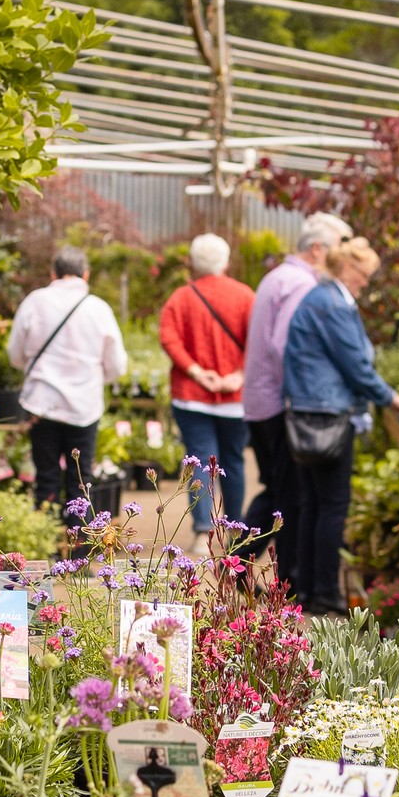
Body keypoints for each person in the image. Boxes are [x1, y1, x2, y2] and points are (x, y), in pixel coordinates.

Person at [282, 237, 399, 617]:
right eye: (364, 274)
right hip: (328, 415)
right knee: (332, 506)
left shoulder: (321, 298)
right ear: (347, 269)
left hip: (308, 411)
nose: (366, 282)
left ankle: (306, 588)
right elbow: (356, 366)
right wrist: (392, 398)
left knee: (312, 504)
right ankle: (324, 593)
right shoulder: (333, 303)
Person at [242, 210, 352, 591]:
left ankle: (237, 565)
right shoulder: (302, 284)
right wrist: (300, 396)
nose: (345, 257)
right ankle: (274, 579)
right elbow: (284, 346)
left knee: (278, 489)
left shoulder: (279, 276)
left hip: (259, 400)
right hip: (279, 403)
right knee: (287, 497)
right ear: (319, 249)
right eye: (341, 247)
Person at [7, 246, 126, 513]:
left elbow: (15, 354)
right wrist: (93, 378)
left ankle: (46, 545)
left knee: (45, 477)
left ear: (53, 272)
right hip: (84, 406)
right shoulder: (99, 309)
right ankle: (80, 549)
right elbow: (117, 365)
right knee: (81, 481)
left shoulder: (34, 301)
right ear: (85, 275)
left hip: (42, 404)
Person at [159, 232, 255, 558]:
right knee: (235, 462)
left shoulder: (181, 298)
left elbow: (169, 339)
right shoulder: (245, 297)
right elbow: (258, 342)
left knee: (200, 459)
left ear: (192, 263)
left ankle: (203, 532)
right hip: (235, 397)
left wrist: (197, 372)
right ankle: (235, 530)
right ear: (226, 262)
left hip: (191, 395)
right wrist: (238, 375)